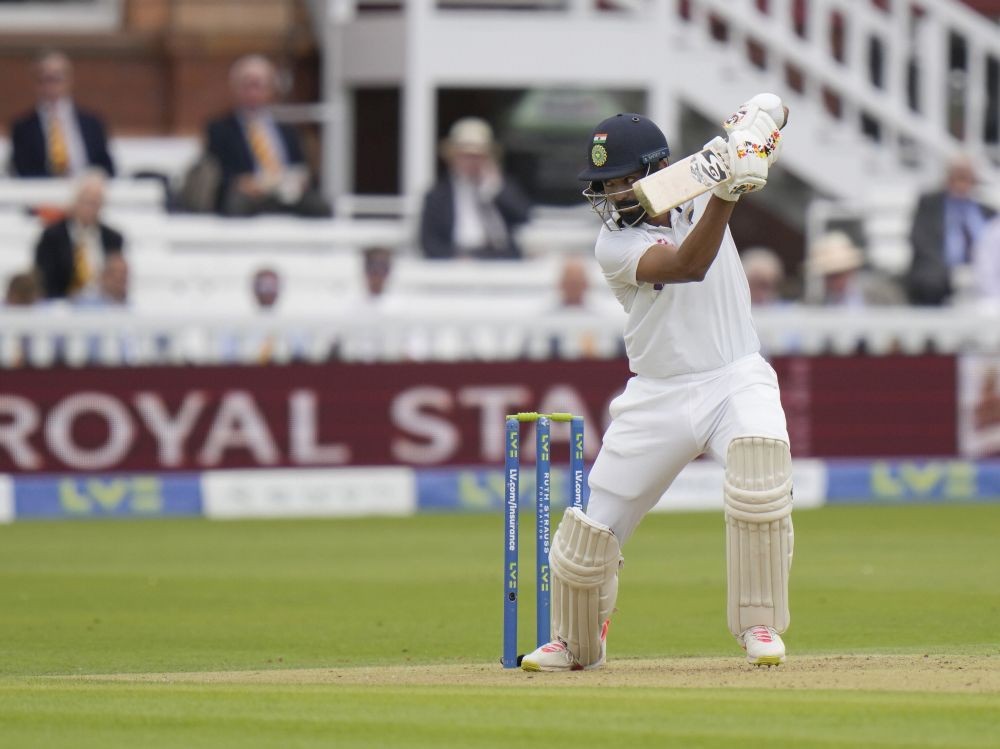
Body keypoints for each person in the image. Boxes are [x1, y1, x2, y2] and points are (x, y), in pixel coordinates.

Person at [520, 96, 795, 672]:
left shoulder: (702, 173)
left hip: (735, 374)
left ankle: (759, 623)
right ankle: (575, 644)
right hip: (658, 393)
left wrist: (757, 128)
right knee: (589, 538)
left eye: (619, 182)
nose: (610, 197)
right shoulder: (614, 245)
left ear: (652, 172)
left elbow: (777, 112)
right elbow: (688, 266)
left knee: (759, 469)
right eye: (602, 185)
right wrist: (727, 192)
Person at [204, 54, 331, 217]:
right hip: (250, 197)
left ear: (271, 90)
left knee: (319, 206)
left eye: (259, 85)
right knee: (236, 205)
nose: (253, 92)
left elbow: (302, 168)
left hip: (286, 193)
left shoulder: (288, 130)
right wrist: (242, 183)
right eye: (247, 85)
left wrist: (299, 180)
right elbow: (216, 172)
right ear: (235, 88)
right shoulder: (220, 129)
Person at [419, 117, 532, 259]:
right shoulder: (437, 195)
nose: (472, 162)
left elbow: (524, 216)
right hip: (456, 262)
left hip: (498, 259)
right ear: (453, 157)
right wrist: (454, 258)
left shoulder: (502, 188)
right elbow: (428, 242)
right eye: (466, 156)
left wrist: (494, 189)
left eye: (479, 156)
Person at [9, 50, 116, 178]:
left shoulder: (92, 122)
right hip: (43, 193)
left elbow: (106, 166)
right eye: (45, 79)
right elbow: (23, 170)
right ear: (36, 83)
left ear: (69, 80)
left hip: (85, 191)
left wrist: (94, 179)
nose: (51, 85)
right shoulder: (23, 127)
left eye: (57, 78)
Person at [905, 154, 994, 305]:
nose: (963, 183)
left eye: (968, 178)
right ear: (948, 178)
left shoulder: (987, 211)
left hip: (983, 269)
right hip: (940, 267)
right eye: (959, 177)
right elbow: (920, 240)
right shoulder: (929, 204)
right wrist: (949, 269)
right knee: (930, 280)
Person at [33, 170, 124, 299]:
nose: (91, 208)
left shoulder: (113, 238)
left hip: (104, 307)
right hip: (61, 304)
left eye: (96, 203)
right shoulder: (52, 236)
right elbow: (44, 278)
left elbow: (118, 279)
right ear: (75, 201)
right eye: (87, 202)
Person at [808, 231, 905, 307]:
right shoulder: (817, 303)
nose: (833, 281)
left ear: (850, 270)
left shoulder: (883, 294)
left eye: (838, 274)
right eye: (829, 276)